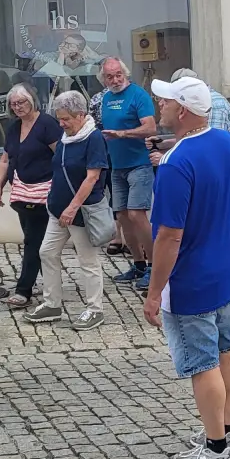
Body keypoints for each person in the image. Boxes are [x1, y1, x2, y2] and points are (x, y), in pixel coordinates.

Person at [142, 76, 230, 459]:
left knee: (203, 363)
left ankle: (215, 450)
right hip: (225, 271)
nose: (161, 106)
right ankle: (225, 431)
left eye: (167, 101)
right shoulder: (225, 142)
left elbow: (169, 237)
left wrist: (154, 291)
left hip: (192, 277)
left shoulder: (176, 164)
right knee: (226, 350)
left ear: (184, 111)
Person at [166, 68, 230, 313]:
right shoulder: (218, 102)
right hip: (226, 176)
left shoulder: (210, 105)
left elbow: (199, 143)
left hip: (212, 180)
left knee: (221, 233)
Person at [22, 91, 110, 330]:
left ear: (81, 115)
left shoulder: (93, 139)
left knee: (88, 261)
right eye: (60, 118)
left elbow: (92, 177)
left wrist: (72, 208)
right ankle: (52, 304)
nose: (61, 124)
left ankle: (95, 309)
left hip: (81, 212)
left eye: (66, 119)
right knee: (47, 252)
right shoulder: (65, 137)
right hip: (58, 209)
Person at [92, 58, 157, 292]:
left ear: (125, 73)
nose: (115, 80)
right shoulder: (106, 99)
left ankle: (154, 266)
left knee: (137, 214)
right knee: (122, 216)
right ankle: (138, 265)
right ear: (103, 79)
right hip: (116, 166)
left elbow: (151, 128)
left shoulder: (138, 95)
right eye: (110, 76)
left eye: (119, 74)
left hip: (139, 164)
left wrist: (124, 134)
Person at [0, 83, 61, 309]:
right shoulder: (14, 128)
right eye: (13, 104)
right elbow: (5, 159)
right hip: (22, 193)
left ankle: (24, 290)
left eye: (21, 102)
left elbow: (60, 156)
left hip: (44, 192)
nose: (17, 107)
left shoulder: (47, 125)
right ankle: (52, 283)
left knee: (33, 241)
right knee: (36, 240)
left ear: (32, 100)